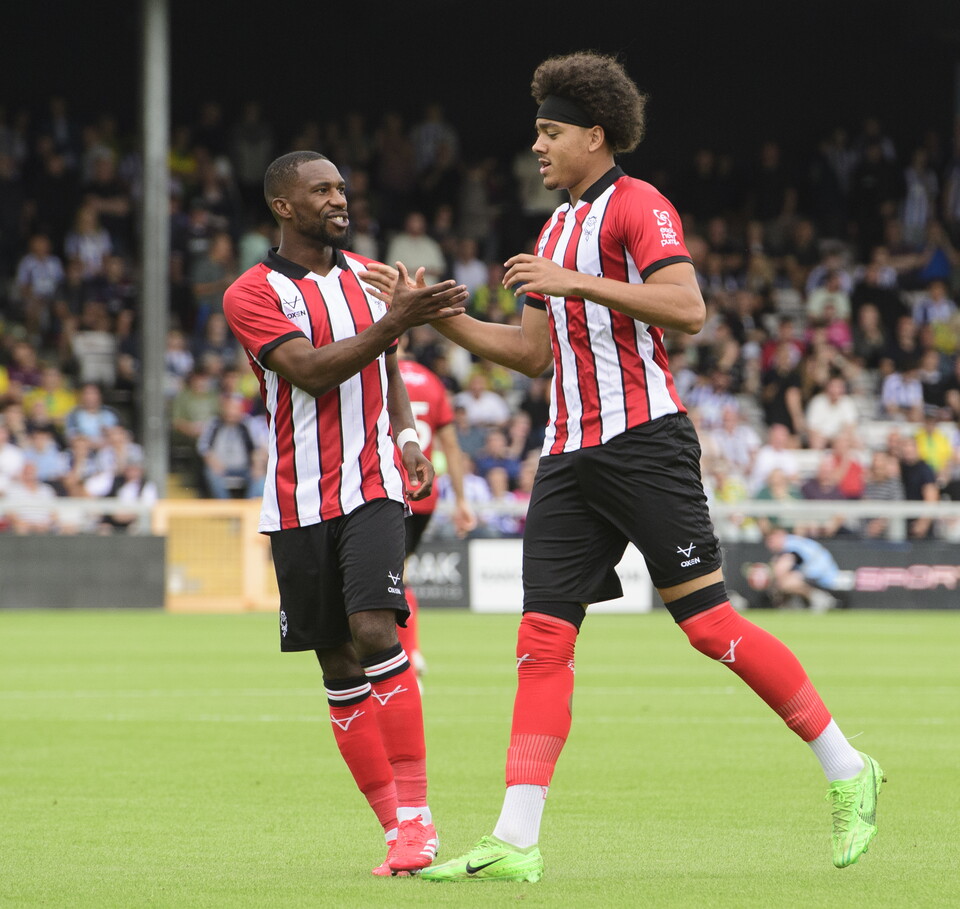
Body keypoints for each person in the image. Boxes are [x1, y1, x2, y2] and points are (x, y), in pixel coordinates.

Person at [418, 52, 883, 883]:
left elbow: (689, 308)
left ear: (595, 135)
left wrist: (577, 282)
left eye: (551, 131)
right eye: (537, 131)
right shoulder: (553, 231)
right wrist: (436, 320)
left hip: (644, 443)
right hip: (566, 455)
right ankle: (515, 839)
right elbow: (530, 356)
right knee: (541, 643)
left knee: (709, 627)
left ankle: (849, 768)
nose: (537, 146)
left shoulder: (639, 205)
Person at [222, 150, 468, 877]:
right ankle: (394, 827)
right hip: (298, 499)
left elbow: (388, 361)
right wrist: (395, 317)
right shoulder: (251, 292)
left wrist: (409, 434)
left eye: (341, 187)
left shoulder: (368, 275)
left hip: (373, 483)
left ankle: (420, 817)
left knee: (371, 628)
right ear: (284, 206)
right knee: (335, 661)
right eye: (321, 189)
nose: (340, 197)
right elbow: (311, 369)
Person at [396, 337, 476, 679]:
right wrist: (460, 499)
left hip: (387, 490)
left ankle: (407, 653)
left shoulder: (375, 374)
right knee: (400, 571)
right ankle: (408, 651)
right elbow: (451, 446)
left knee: (391, 577)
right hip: (426, 494)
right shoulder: (431, 381)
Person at [762, 527, 850, 612]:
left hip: (823, 574)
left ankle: (821, 599)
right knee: (787, 579)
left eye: (771, 541)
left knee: (785, 582)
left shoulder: (790, 545)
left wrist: (766, 575)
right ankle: (794, 604)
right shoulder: (793, 541)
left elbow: (780, 571)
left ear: (780, 536)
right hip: (820, 571)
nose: (769, 545)